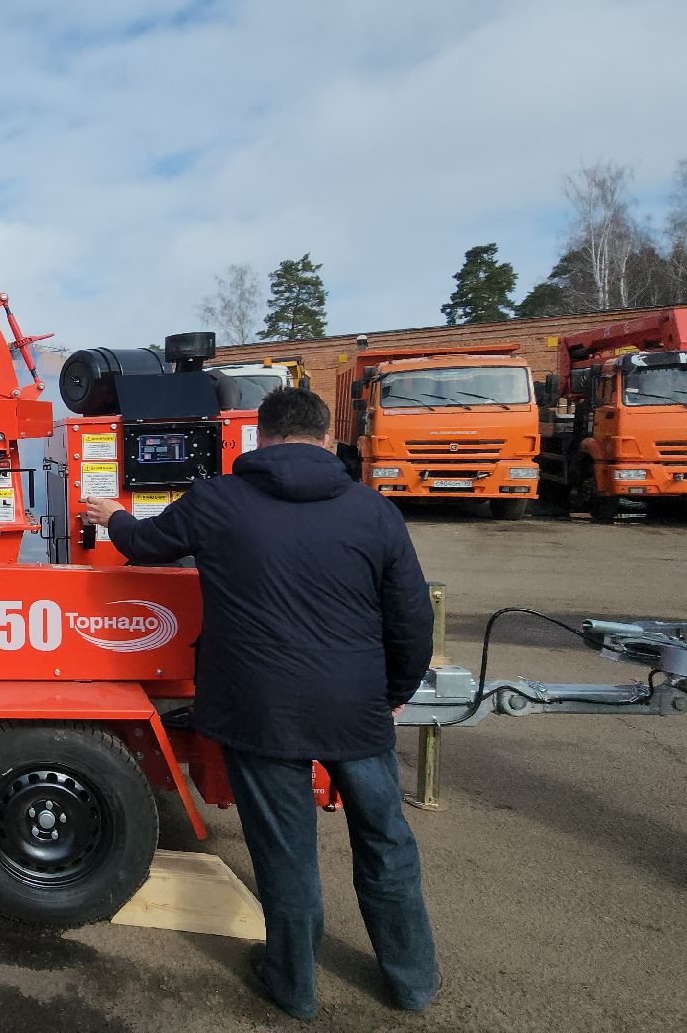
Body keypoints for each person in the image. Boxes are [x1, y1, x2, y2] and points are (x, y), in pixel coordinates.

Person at [83, 386, 439, 1020]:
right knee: (387, 844)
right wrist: (395, 693)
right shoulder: (372, 510)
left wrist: (110, 513)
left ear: (261, 437)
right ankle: (412, 982)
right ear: (329, 440)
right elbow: (410, 618)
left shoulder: (219, 500)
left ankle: (294, 987)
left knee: (287, 853)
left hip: (260, 711)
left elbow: (144, 545)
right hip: (354, 707)